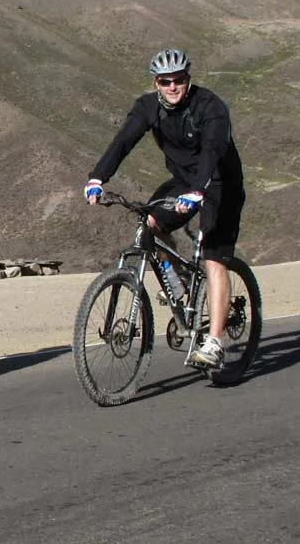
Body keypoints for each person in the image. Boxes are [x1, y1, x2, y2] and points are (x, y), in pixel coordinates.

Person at [83, 48, 245, 369]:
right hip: (185, 181)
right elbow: (123, 142)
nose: (172, 87)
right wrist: (97, 177)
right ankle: (180, 281)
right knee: (149, 225)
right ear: (155, 83)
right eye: (165, 81)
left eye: (179, 80)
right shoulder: (147, 108)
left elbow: (213, 150)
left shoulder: (210, 107)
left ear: (189, 79)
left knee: (213, 258)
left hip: (220, 183)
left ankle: (213, 342)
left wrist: (199, 191)